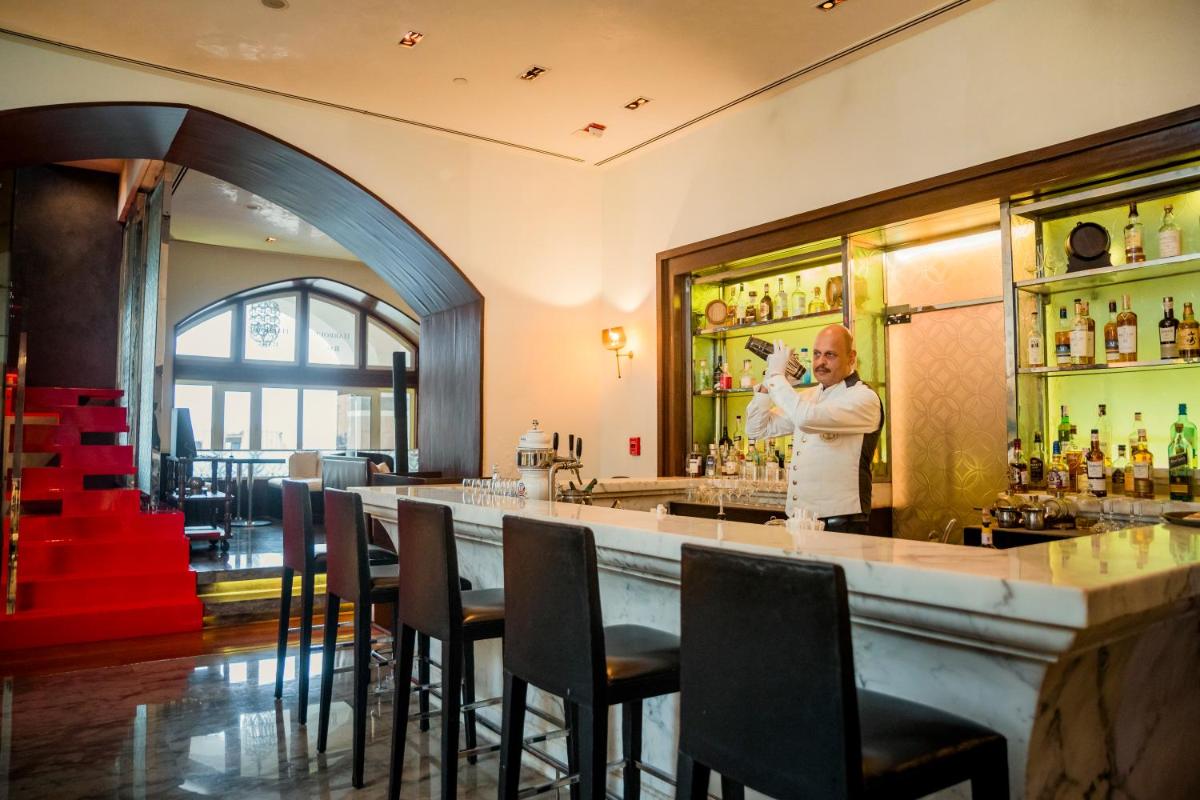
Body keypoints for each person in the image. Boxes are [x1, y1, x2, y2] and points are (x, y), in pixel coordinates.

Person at [745, 324, 883, 534]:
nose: (820, 362)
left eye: (830, 355)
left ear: (851, 357)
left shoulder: (864, 398)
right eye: (817, 354)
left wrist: (777, 377)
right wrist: (767, 384)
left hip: (843, 524)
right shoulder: (809, 396)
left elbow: (806, 418)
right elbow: (757, 429)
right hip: (800, 521)